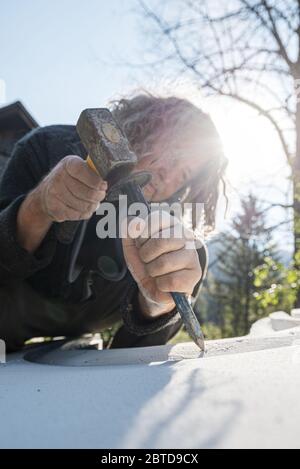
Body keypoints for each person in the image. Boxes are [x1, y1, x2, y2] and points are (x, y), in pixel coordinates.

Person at [0, 94, 227, 352]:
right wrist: (39, 206)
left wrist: (159, 304)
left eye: (183, 174)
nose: (168, 175)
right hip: (11, 307)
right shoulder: (47, 146)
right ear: (145, 125)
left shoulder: (164, 221)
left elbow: (136, 348)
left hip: (91, 320)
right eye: (173, 155)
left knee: (189, 254)